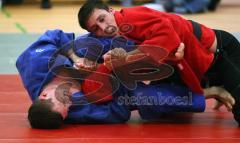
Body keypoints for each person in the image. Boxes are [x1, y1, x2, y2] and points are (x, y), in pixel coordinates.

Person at [16, 29, 233, 129]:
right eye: (68, 108)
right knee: (146, 99)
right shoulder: (74, 111)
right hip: (117, 85)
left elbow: (53, 36)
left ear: (44, 94)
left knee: (102, 42)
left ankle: (182, 44)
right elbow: (118, 113)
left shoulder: (34, 65)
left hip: (97, 52)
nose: (70, 103)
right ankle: (211, 91)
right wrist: (107, 74)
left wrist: (75, 56)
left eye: (64, 101)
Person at [78, 0, 240, 125]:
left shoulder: (130, 17)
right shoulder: (113, 33)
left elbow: (168, 38)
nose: (103, 27)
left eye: (102, 19)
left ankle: (222, 84)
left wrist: (127, 58)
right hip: (198, 63)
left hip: (221, 50)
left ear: (111, 11)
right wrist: (87, 60)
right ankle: (219, 85)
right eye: (96, 28)